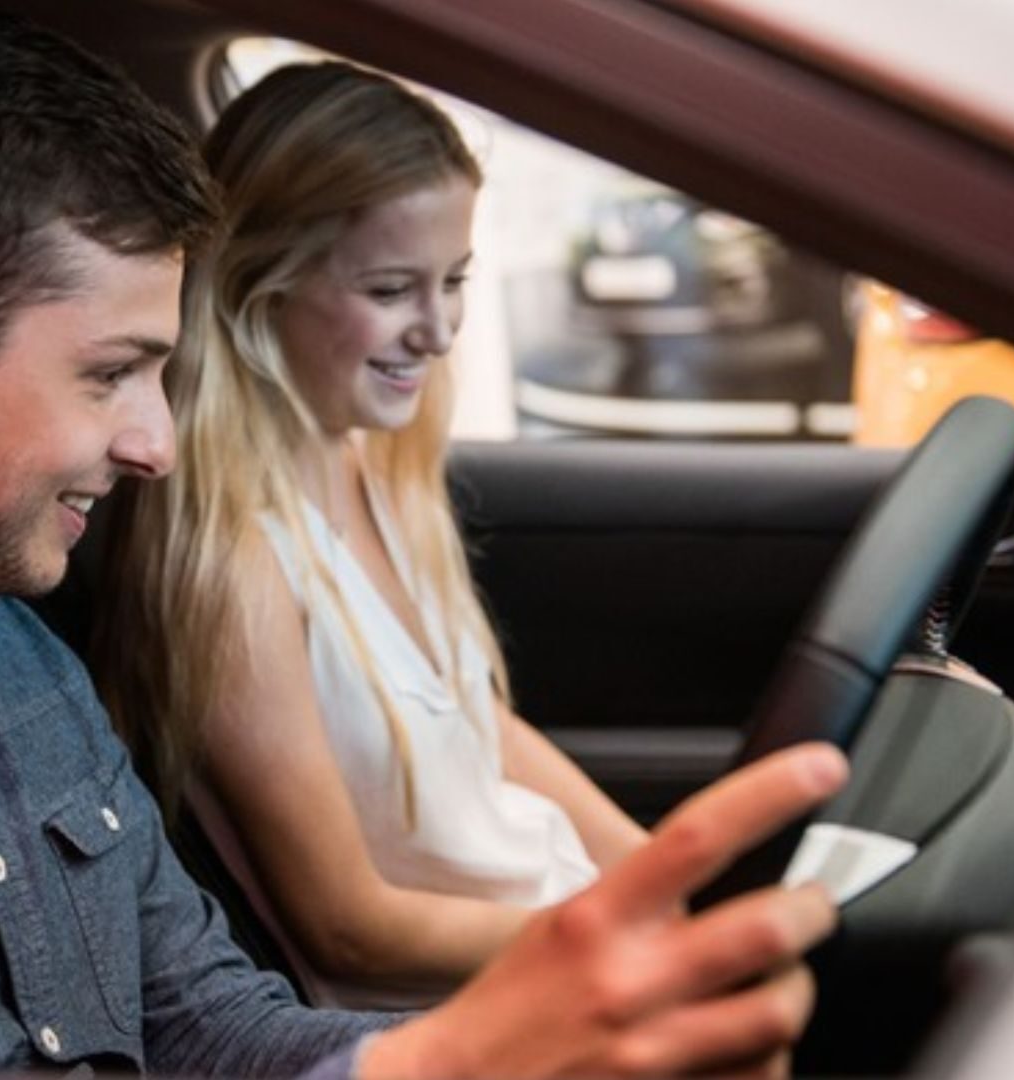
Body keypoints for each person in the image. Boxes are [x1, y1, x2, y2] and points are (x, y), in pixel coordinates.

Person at [0, 5, 847, 1079]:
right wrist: (454, 1056)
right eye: (109, 372)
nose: (158, 446)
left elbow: (207, 1024)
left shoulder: (5, 652)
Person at [96, 63, 644, 1009]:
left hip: (551, 950)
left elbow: (469, 723)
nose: (438, 330)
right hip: (473, 1014)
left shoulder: (376, 461)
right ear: (257, 285)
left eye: (456, 280)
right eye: (393, 289)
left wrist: (656, 872)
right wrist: (614, 938)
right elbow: (348, 929)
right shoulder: (236, 564)